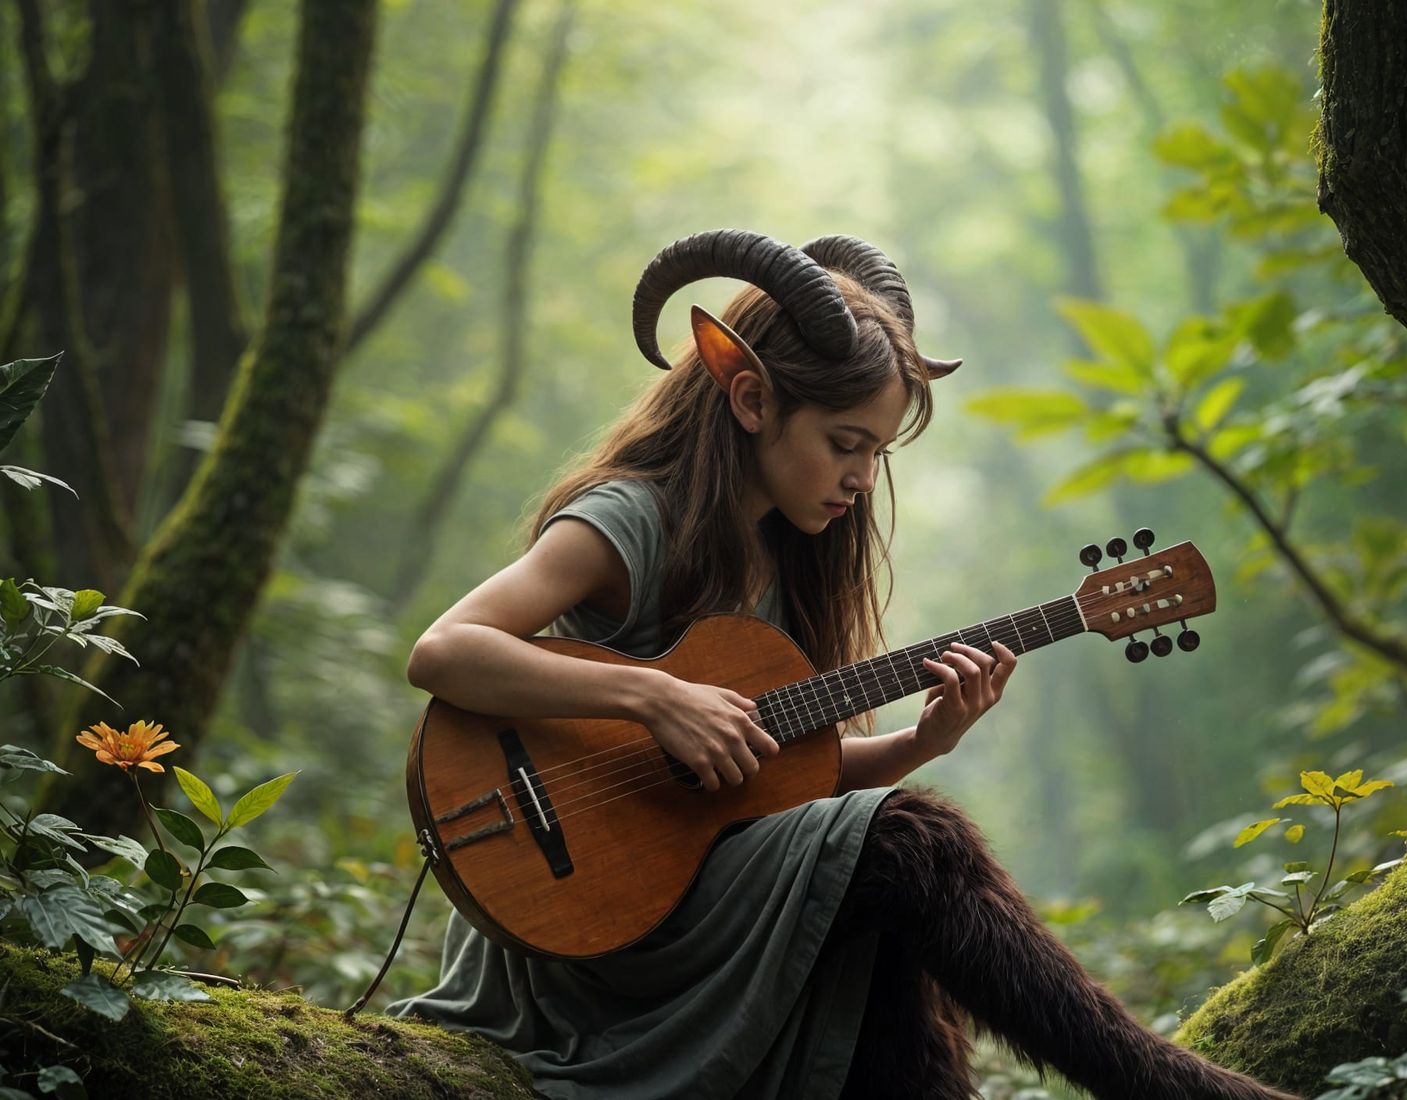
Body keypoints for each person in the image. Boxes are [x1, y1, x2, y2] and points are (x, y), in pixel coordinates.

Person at [389, 229, 1297, 1100]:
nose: (862, 477)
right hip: (588, 931)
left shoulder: (785, 557)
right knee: (919, 842)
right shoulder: (633, 517)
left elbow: (782, 782)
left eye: (876, 451)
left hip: (695, 908)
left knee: (885, 923)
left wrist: (919, 743)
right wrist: (655, 697)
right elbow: (446, 650)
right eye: (845, 443)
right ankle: (1163, 1085)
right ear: (749, 399)